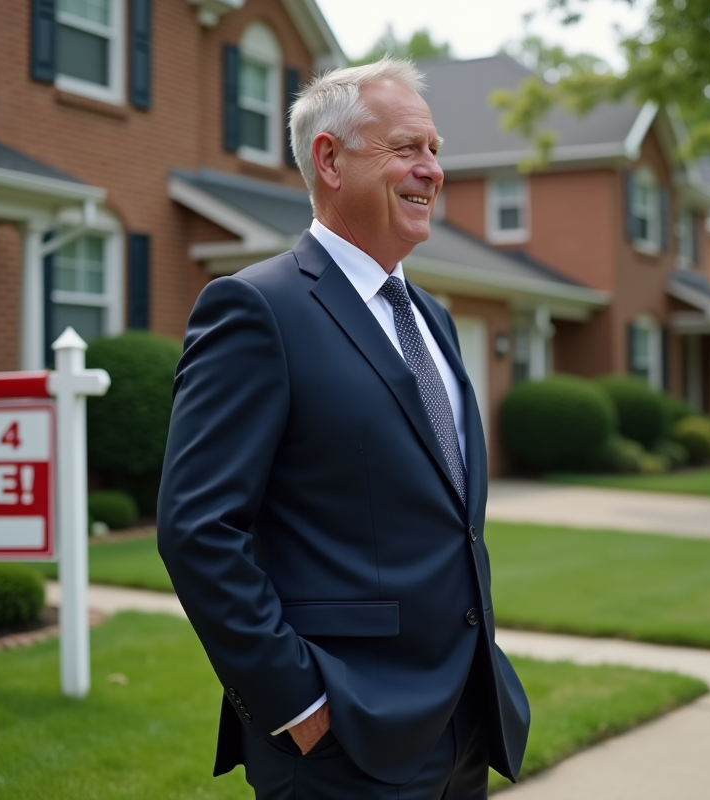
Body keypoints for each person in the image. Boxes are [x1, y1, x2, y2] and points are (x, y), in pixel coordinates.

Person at [156, 58, 530, 800]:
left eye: (435, 150)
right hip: (343, 739)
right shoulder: (255, 309)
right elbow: (197, 526)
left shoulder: (433, 319)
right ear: (329, 158)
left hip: (465, 720)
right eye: (407, 149)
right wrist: (294, 699)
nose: (432, 170)